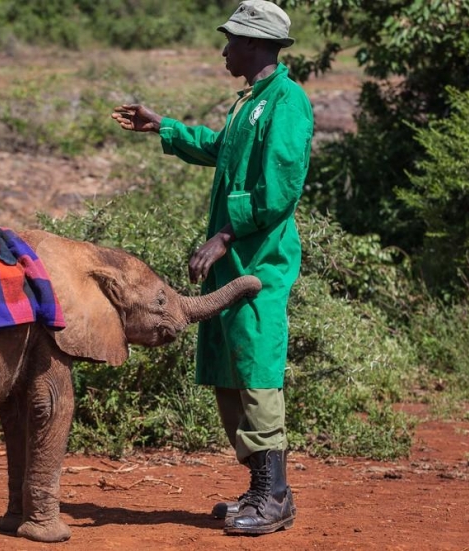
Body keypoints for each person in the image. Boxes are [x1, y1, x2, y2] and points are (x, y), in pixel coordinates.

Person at [110, 0, 313, 536]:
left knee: (256, 371)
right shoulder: (251, 104)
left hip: (259, 262)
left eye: (231, 41)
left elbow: (281, 190)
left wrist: (225, 234)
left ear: (254, 44)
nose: (224, 50)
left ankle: (276, 496)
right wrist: (165, 128)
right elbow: (222, 151)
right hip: (231, 264)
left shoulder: (286, 103)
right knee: (228, 370)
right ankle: (259, 488)